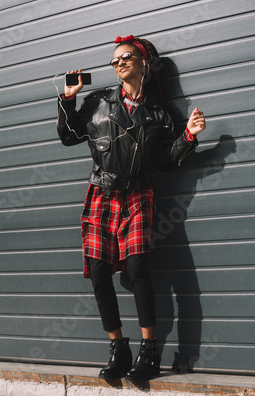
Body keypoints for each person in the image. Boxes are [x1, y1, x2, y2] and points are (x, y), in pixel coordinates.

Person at [57, 35, 206, 381]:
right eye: (114, 60)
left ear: (144, 62)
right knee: (97, 271)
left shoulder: (159, 113)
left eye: (125, 57)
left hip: (138, 195)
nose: (119, 63)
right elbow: (69, 136)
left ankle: (149, 350)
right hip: (101, 192)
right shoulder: (97, 102)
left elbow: (165, 161)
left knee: (138, 267)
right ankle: (118, 348)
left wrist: (188, 135)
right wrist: (68, 100)